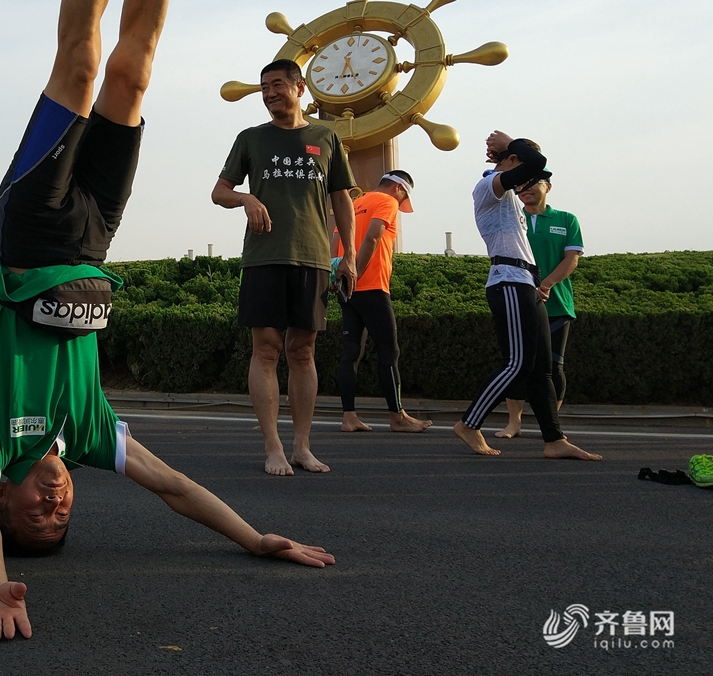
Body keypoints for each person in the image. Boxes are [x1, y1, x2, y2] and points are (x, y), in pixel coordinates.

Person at [0, 0, 334, 644]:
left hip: (29, 233)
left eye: (36, 516)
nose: (53, 503)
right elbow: (178, 490)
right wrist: (255, 537)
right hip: (92, 242)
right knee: (136, 67)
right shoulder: (90, 436)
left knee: (82, 66)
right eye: (62, 517)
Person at [212, 59, 357, 475]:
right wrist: (246, 199)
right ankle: (273, 446)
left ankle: (302, 446)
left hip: (313, 257)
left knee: (303, 350)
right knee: (266, 349)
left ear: (299, 87)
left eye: (277, 85)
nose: (270, 93)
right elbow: (219, 191)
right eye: (264, 88)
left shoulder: (326, 137)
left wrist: (348, 256)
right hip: (264, 257)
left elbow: (341, 200)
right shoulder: (251, 139)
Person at [451, 131, 600, 461]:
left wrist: (509, 150)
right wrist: (510, 144)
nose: (528, 181)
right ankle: (469, 423)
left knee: (541, 369)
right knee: (517, 362)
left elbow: (533, 162)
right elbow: (536, 161)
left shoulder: (508, 195)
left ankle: (554, 439)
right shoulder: (489, 186)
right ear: (512, 161)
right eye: (521, 166)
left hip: (526, 284)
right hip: (508, 281)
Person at [334, 170, 433, 434]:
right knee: (389, 352)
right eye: (403, 200)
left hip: (346, 289)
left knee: (351, 354)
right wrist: (357, 272)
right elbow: (373, 237)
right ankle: (397, 416)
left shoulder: (354, 203)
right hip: (372, 287)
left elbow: (335, 240)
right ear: (399, 190)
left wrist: (339, 276)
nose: (400, 205)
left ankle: (348, 417)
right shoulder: (387, 201)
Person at [496, 173, 583, 438]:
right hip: (519, 300)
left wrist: (545, 285)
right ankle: (514, 422)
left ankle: (551, 425)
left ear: (548, 187)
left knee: (554, 365)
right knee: (517, 364)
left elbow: (571, 259)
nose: (527, 188)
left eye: (534, 183)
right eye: (522, 184)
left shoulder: (566, 219)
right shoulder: (510, 218)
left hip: (556, 304)